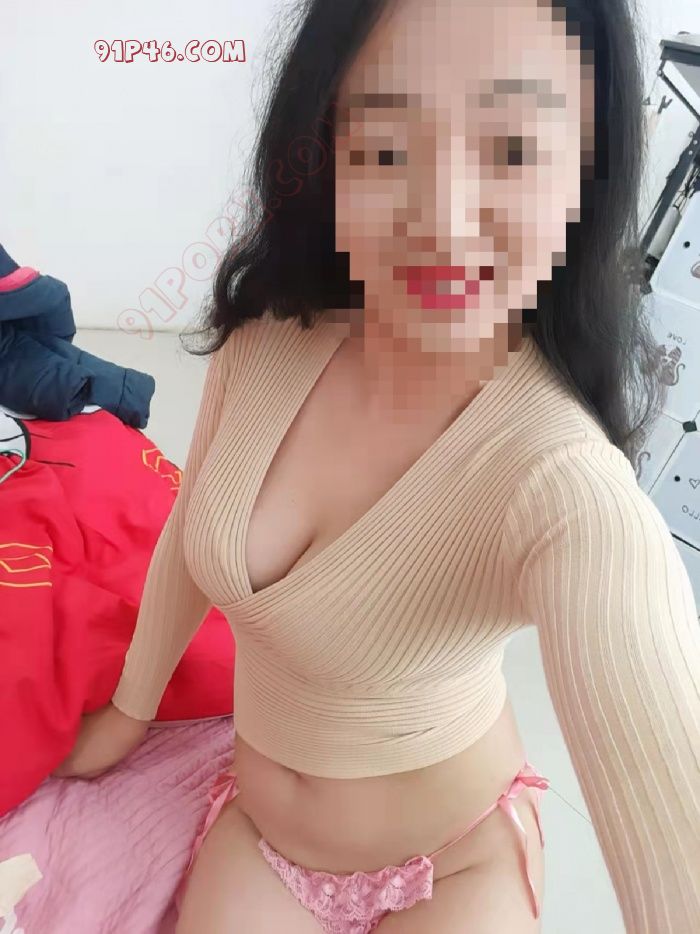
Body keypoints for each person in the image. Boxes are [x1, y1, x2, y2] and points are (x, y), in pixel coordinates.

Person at [55, 0, 700, 931]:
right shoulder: (267, 347)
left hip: (457, 863)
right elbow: (190, 537)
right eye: (388, 148)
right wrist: (129, 709)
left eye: (514, 150)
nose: (441, 220)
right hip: (260, 837)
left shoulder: (565, 485)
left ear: (586, 176)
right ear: (327, 155)